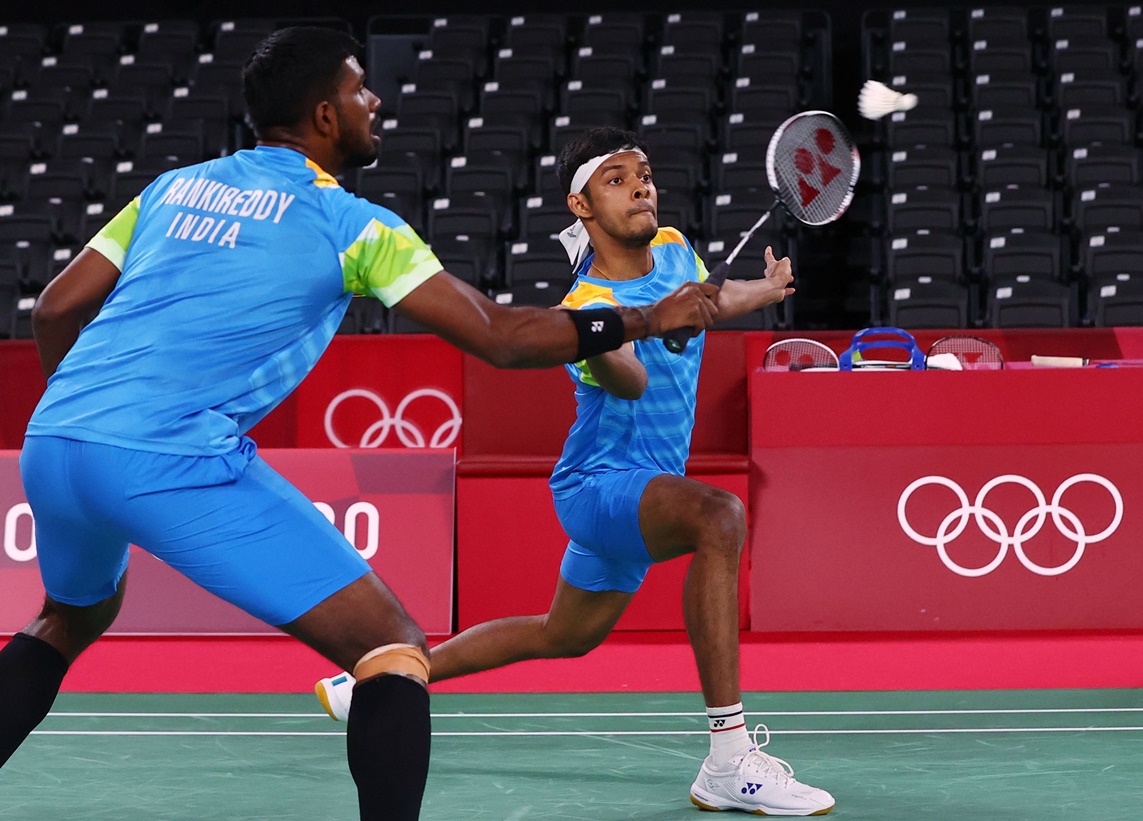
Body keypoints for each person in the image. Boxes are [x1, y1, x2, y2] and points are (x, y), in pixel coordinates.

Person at [0, 30, 718, 821]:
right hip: (170, 453)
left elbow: (60, 305)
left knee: (69, 615)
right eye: (359, 91)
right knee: (391, 650)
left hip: (54, 437)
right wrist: (642, 319)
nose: (375, 102)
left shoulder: (174, 188)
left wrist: (84, 419)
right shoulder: (351, 223)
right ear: (322, 114)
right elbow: (503, 337)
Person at [315, 127, 836, 817]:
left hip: (645, 486)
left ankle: (379, 679)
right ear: (581, 205)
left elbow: (702, 303)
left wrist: (758, 292)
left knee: (563, 634)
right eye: (616, 178)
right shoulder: (582, 308)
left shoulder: (677, 247)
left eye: (644, 172)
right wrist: (647, 324)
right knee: (719, 515)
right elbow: (627, 378)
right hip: (600, 484)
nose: (640, 185)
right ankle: (729, 756)